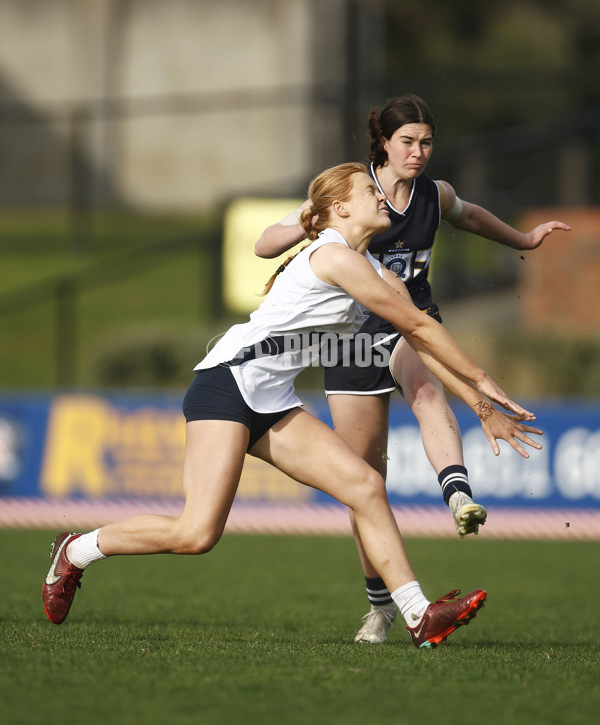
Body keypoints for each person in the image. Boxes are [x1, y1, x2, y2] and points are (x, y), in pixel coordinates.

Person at [42, 162, 542, 649]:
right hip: (227, 384)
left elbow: (424, 336)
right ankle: (77, 549)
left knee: (366, 486)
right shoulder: (334, 256)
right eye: (369, 191)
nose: (380, 195)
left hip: (273, 399)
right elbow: (420, 327)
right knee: (196, 533)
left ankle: (417, 615)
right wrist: (482, 383)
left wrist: (480, 403)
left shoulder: (368, 267)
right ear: (340, 209)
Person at [255, 95, 569, 644]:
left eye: (426, 142)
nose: (419, 152)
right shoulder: (352, 194)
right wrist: (309, 223)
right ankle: (380, 607)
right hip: (352, 334)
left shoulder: (434, 194)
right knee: (365, 479)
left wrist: (524, 240)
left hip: (411, 318)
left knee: (425, 390)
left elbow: (469, 216)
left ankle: (458, 495)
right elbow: (264, 244)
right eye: (408, 142)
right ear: (383, 143)